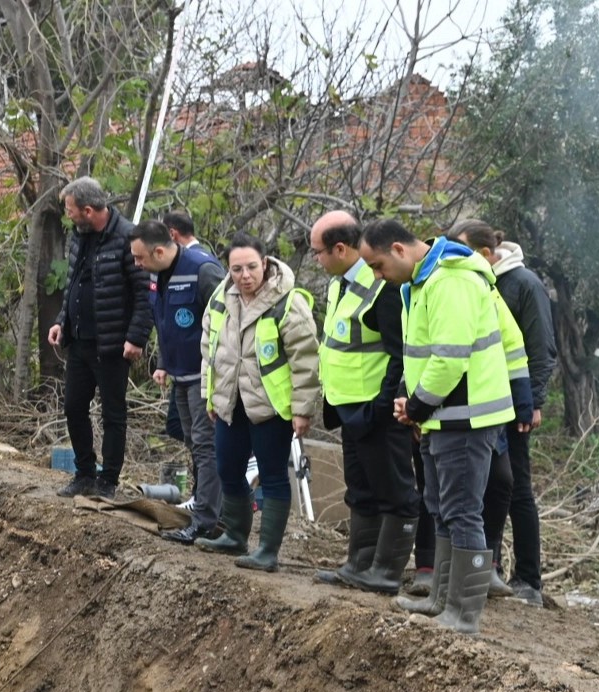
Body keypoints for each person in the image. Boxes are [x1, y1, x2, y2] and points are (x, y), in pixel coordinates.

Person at [360, 220, 520, 636]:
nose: (378, 276)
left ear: (398, 249)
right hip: (442, 414)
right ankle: (442, 600)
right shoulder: (424, 280)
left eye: (377, 266)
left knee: (463, 511)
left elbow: (450, 358)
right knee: (442, 507)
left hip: (466, 416)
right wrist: (409, 398)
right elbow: (422, 354)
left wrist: (415, 405)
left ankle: (464, 613)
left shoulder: (450, 280)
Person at [309, 211, 420, 594]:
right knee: (360, 488)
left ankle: (386, 572)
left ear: (340, 248)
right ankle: (359, 564)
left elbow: (399, 354)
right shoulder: (339, 284)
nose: (316, 260)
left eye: (318, 252)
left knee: (394, 490)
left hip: (377, 409)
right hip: (348, 407)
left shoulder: (384, 287)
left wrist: (382, 403)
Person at [195, 232, 320, 572]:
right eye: (237, 269)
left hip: (272, 407)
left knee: (273, 474)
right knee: (227, 468)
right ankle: (235, 534)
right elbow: (210, 349)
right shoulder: (221, 298)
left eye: (251, 267)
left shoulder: (288, 302)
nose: (245, 276)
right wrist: (210, 394)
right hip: (230, 401)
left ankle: (267, 550)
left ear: (265, 263)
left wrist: (302, 409)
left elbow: (305, 360)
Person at [449, 219, 556, 607]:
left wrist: (535, 401)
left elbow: (540, 347)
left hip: (514, 405)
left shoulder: (523, 284)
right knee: (486, 487)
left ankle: (529, 578)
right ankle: (485, 567)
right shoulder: (475, 282)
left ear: (484, 253)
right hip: (481, 404)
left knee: (517, 489)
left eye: (459, 247)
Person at [47, 176, 152, 498]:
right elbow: (74, 283)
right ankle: (84, 473)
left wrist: (136, 337)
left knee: (113, 414)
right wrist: (62, 320)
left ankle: (108, 481)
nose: (68, 216)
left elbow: (145, 293)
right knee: (74, 407)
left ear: (88, 210)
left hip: (112, 345)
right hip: (78, 341)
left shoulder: (128, 238)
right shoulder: (80, 236)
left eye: (70, 210)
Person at [129, 219, 226, 543]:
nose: (137, 264)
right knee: (191, 440)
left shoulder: (202, 269)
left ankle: (206, 519)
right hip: (180, 373)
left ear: (159, 250)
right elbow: (166, 320)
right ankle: (210, 507)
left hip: (205, 374)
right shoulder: (157, 273)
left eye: (140, 258)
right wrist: (163, 363)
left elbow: (227, 322)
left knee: (204, 444)